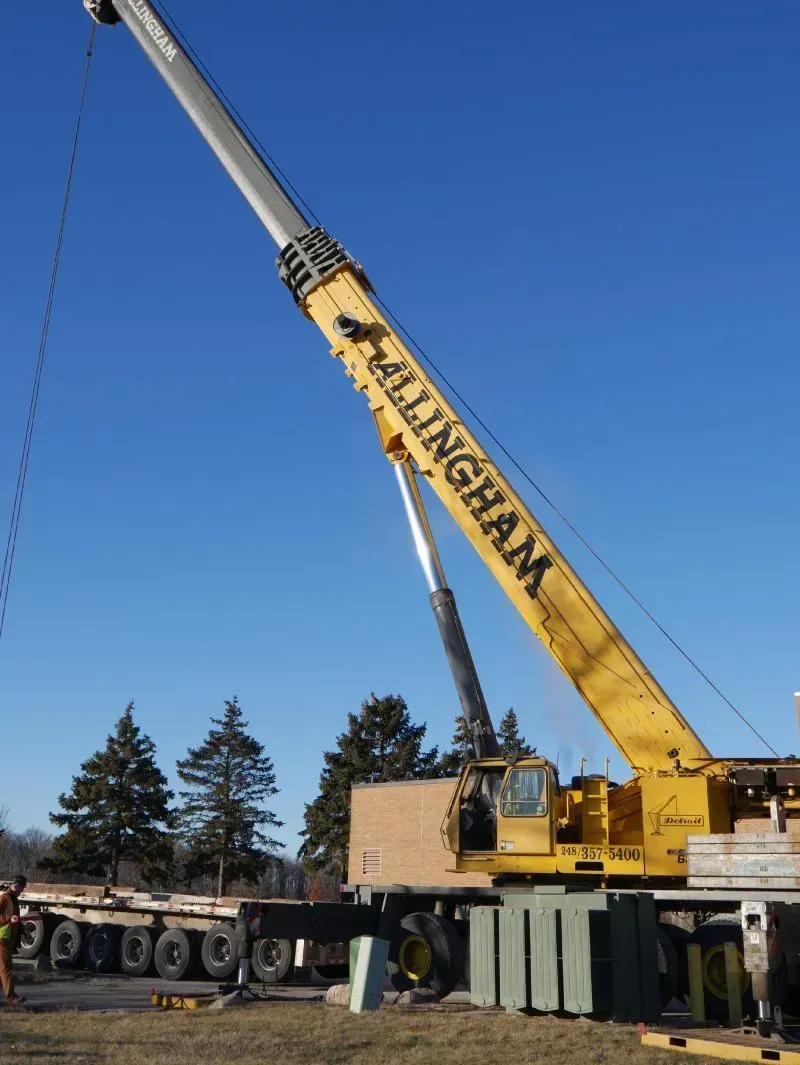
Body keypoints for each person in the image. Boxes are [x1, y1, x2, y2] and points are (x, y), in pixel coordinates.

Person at [0, 875, 28, 1006]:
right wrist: (8, 920)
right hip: (2, 939)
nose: (22, 891)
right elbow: (8, 918)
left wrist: (22, 929)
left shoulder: (14, 899)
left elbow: (15, 919)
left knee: (5, 968)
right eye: (22, 888)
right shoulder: (5, 898)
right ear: (16, 885)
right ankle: (11, 998)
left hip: (8, 940)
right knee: (6, 969)